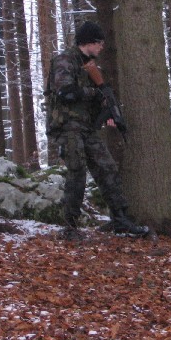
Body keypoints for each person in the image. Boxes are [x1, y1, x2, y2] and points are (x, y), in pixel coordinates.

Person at [46, 21, 148, 241]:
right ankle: (70, 227)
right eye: (99, 42)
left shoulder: (90, 67)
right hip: (67, 127)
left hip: (87, 127)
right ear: (88, 42)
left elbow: (94, 99)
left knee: (107, 168)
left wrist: (108, 113)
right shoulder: (65, 60)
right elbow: (65, 92)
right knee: (77, 173)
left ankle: (121, 220)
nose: (102, 46)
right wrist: (94, 94)